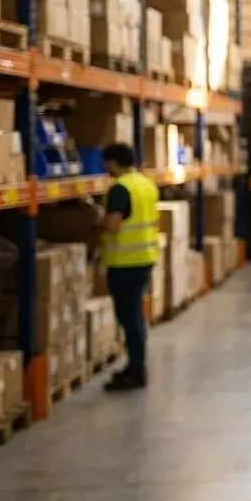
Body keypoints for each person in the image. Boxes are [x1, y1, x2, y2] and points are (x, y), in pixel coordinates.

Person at [98, 143, 160, 393]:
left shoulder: (120, 188)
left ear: (113, 162)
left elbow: (113, 224)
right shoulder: (145, 183)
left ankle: (136, 369)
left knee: (129, 317)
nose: (104, 167)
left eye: (106, 162)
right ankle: (136, 366)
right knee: (134, 315)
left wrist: (95, 221)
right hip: (144, 258)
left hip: (125, 263)